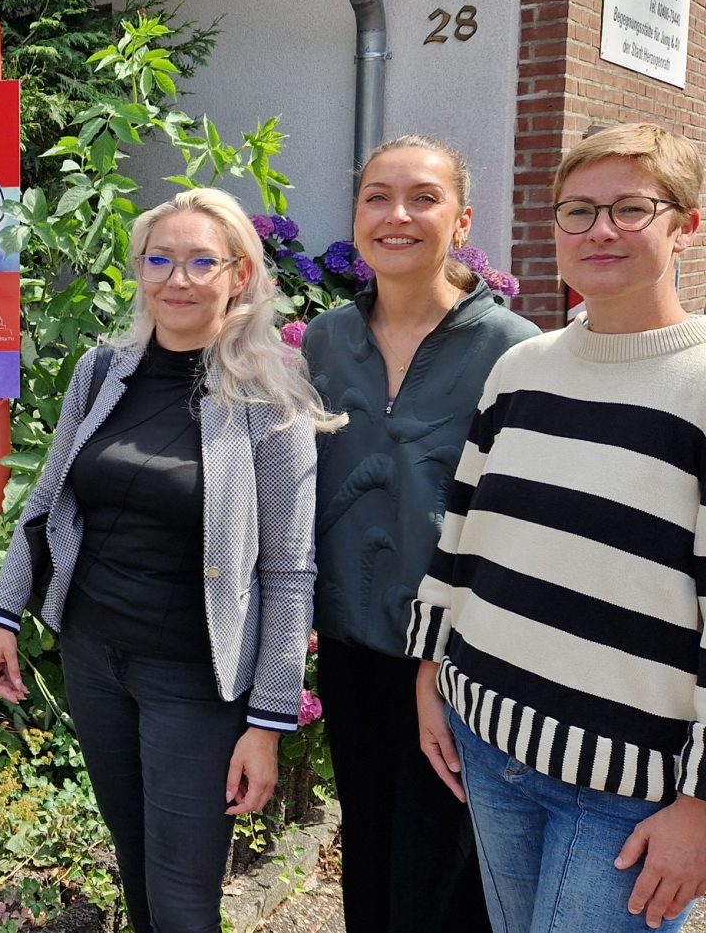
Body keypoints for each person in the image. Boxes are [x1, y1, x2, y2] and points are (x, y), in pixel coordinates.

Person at [407, 123, 706, 933]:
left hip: (626, 795)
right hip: (486, 743)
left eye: (630, 208)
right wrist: (432, 665)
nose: (599, 230)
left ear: (684, 226)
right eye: (577, 211)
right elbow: (463, 530)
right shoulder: (521, 369)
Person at [0, 188, 333, 933]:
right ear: (139, 269)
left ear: (238, 274)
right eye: (160, 258)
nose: (178, 277)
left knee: (181, 897)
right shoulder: (102, 369)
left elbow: (287, 571)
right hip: (93, 655)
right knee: (134, 861)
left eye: (201, 260)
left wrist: (268, 720)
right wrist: (3, 611)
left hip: (192, 680)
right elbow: (48, 497)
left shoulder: (269, 401)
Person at [300, 136, 537, 932]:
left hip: (462, 659)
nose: (396, 214)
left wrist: (454, 659)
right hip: (353, 645)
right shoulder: (327, 339)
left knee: (445, 872)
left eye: (422, 197)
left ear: (461, 218)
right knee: (366, 844)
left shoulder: (515, 351)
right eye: (376, 196)